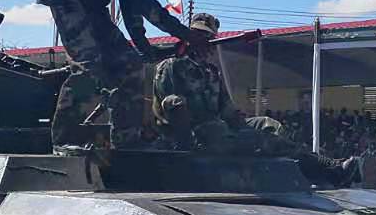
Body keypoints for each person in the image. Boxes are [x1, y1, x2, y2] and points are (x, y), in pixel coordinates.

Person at [37, 0, 210, 148]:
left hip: (92, 4)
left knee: (131, 64)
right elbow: (143, 1)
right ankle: (63, 141)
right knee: (88, 66)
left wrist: (143, 46)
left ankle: (126, 141)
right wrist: (186, 34)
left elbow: (130, 3)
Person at [151, 12, 352, 185]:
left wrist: (244, 127)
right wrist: (186, 144)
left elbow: (227, 111)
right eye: (200, 36)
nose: (207, 43)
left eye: (210, 37)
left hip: (219, 129)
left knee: (268, 126)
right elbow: (171, 107)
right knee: (258, 140)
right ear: (189, 37)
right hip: (197, 136)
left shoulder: (211, 72)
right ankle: (331, 170)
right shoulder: (171, 66)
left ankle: (304, 173)